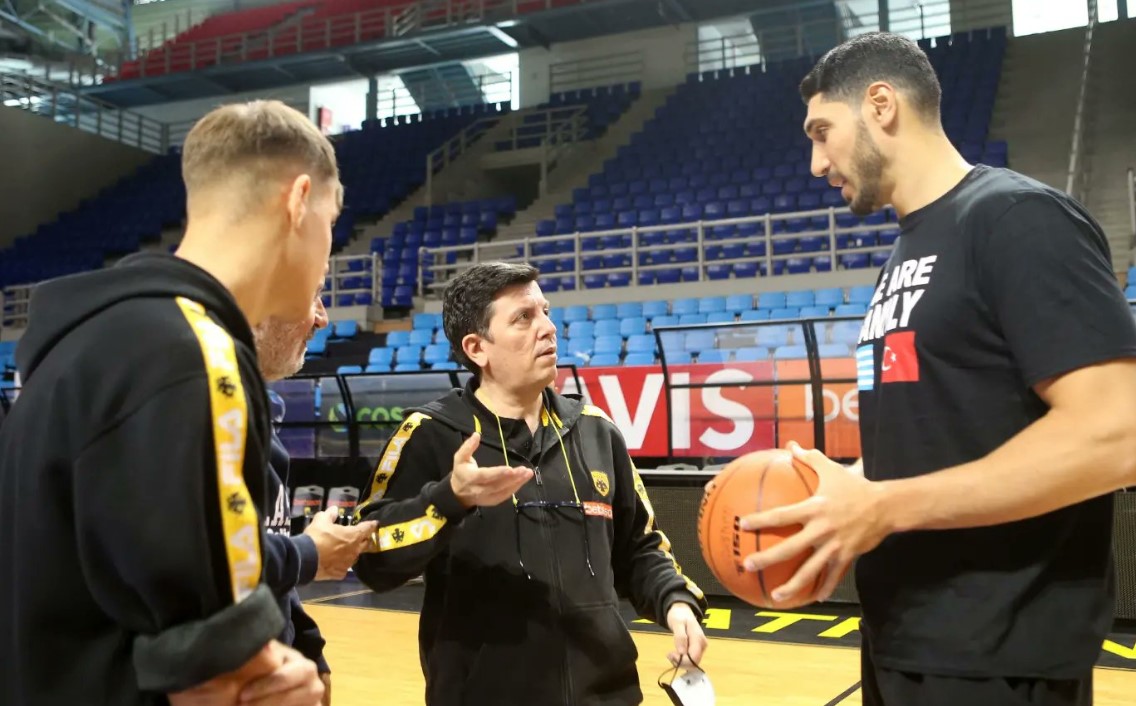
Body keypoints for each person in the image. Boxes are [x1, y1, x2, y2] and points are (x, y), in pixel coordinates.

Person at [738, 31, 1136, 706]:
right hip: (904, 639)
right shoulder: (909, 251)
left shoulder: (1016, 218)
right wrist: (844, 494)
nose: (816, 162)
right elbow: (945, 437)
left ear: (881, 105)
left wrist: (884, 506)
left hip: (999, 657)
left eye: (822, 132)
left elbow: (1117, 433)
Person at [0, 99, 342, 706]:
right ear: (299, 201)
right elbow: (223, 668)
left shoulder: (88, 339)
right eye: (331, 220)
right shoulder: (196, 353)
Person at [351, 261, 709, 706]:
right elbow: (370, 556)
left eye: (545, 311)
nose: (548, 328)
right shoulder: (428, 434)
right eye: (524, 318)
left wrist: (676, 602)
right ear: (477, 348)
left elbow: (640, 547)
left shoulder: (596, 430)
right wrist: (448, 500)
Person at [252, 287, 379, 706]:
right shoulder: (191, 403)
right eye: (312, 296)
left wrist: (306, 642)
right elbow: (196, 560)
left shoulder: (254, 409)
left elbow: (262, 542)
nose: (323, 318)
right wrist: (309, 554)